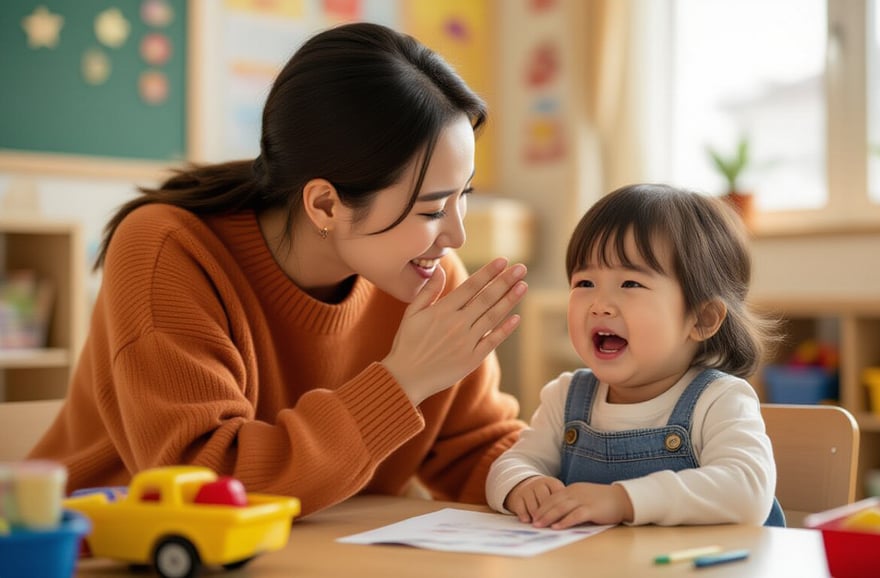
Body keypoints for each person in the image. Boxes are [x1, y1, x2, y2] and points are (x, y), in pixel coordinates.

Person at [29, 22, 529, 517]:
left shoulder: (427, 275)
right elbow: (207, 484)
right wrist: (401, 382)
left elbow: (475, 447)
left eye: (464, 195)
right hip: (103, 549)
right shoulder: (168, 252)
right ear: (326, 205)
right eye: (430, 210)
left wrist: (560, 471)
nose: (456, 237)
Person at [486, 183, 785, 529]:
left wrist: (622, 500)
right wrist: (521, 484)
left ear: (702, 319)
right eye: (585, 283)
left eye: (630, 284)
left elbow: (747, 491)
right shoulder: (565, 398)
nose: (599, 304)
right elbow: (507, 466)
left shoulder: (718, 400)